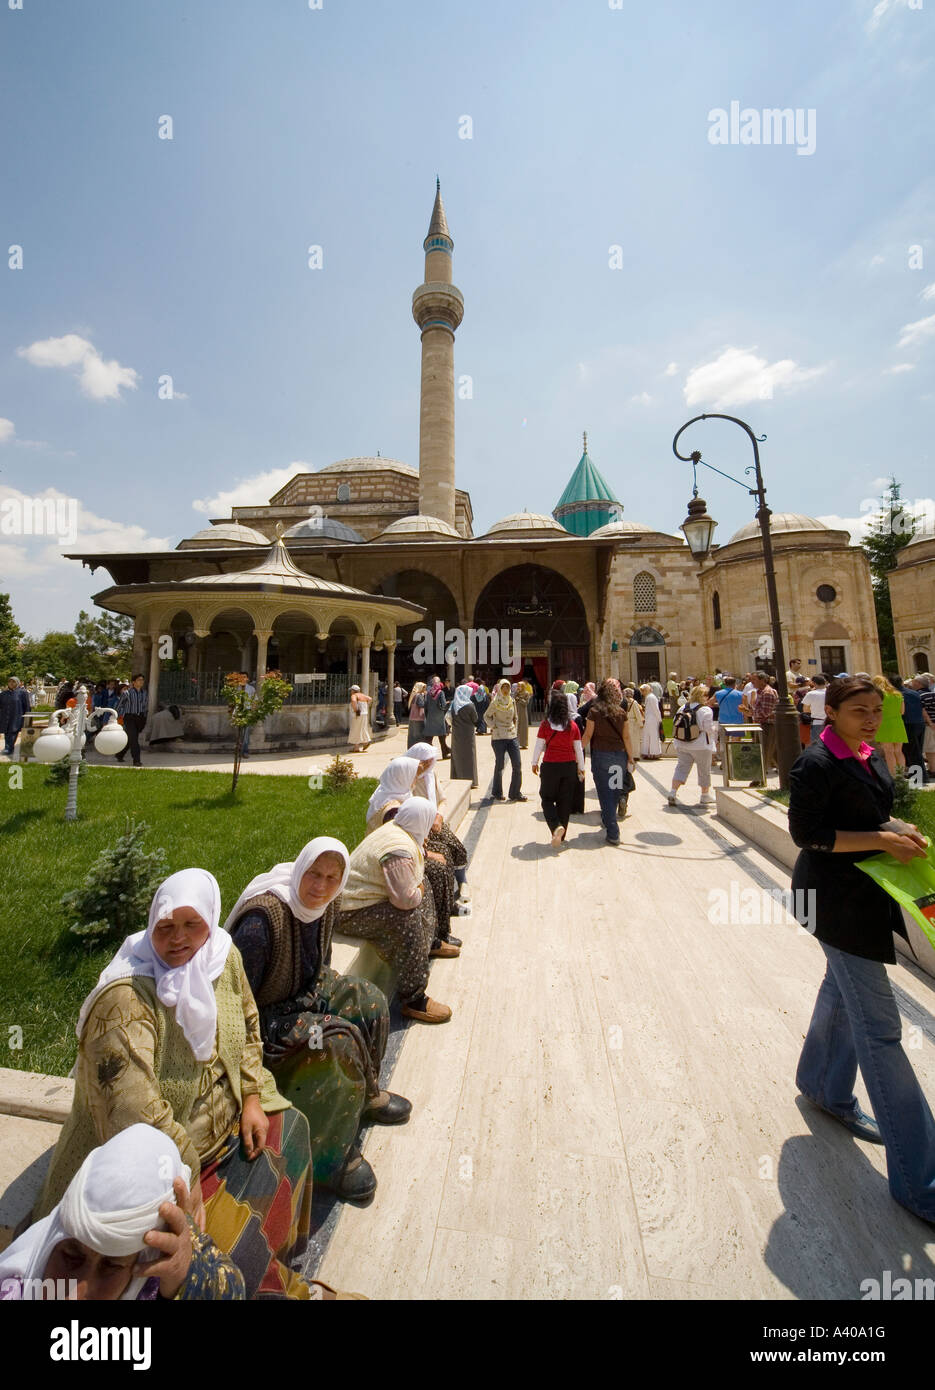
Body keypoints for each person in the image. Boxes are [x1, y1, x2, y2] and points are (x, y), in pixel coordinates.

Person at [35, 868, 328, 1300]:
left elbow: (248, 1028)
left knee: (295, 1127)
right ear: (151, 924)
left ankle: (284, 1255)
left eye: (193, 925)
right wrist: (188, 1177)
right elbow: (132, 1117)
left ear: (211, 922)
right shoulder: (124, 1002)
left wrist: (250, 1097)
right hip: (159, 1168)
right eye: (166, 927)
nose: (179, 939)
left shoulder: (220, 957)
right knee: (229, 1243)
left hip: (225, 1125)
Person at [789, 676, 935, 1224]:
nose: (871, 718)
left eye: (877, 709)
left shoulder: (870, 754)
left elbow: (869, 820)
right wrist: (880, 839)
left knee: (841, 990)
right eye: (858, 710)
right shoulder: (815, 764)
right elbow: (810, 834)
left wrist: (899, 830)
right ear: (832, 711)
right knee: (882, 1032)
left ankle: (823, 1087)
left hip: (862, 895)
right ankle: (922, 1181)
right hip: (830, 900)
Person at [227, 838, 411, 1204]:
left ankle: (364, 1095)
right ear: (300, 869)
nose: (320, 886)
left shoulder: (328, 903)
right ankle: (331, 1161)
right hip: (265, 1021)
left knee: (370, 1002)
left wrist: (322, 997)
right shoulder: (261, 924)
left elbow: (320, 961)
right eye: (313, 874)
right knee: (331, 1041)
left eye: (331, 877)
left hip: (307, 989)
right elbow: (235, 1006)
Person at [0, 1125, 244, 1301]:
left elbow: (235, 1289)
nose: (75, 1295)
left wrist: (185, 1274)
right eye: (71, 1257)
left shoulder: (169, 1256)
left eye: (111, 1266)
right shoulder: (16, 1289)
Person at [338, 799, 454, 1024]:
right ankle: (414, 999)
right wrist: (417, 888)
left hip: (364, 901)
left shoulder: (400, 830)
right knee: (405, 919)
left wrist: (418, 886)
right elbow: (405, 900)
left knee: (423, 886)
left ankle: (429, 943)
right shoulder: (398, 849)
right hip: (350, 910)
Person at [409, 740, 472, 921]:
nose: (428, 765)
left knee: (456, 847)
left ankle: (462, 881)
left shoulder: (431, 775)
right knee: (443, 854)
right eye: (425, 761)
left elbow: (442, 799)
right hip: (420, 827)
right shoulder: (409, 781)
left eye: (431, 761)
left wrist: (438, 816)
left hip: (434, 820)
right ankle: (446, 904)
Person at [581, 679, 634, 844]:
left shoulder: (594, 712)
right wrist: (631, 757)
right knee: (615, 791)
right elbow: (626, 737)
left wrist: (577, 753)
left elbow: (588, 736)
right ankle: (608, 818)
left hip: (601, 757)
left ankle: (613, 831)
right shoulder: (621, 713)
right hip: (619, 756)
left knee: (605, 794)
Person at [532, 691, 585, 849]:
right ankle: (561, 836)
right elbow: (578, 749)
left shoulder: (545, 725)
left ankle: (556, 827)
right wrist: (581, 768)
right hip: (569, 766)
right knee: (565, 801)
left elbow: (539, 746)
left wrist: (534, 762)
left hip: (550, 766)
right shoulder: (573, 726)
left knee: (547, 799)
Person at [667, 684, 715, 808]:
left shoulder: (682, 708)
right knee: (704, 770)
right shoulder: (706, 710)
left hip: (682, 743)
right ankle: (705, 795)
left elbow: (675, 723)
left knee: (681, 768)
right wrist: (715, 729)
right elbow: (707, 728)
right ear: (703, 696)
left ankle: (673, 792)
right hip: (701, 745)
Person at [487, 678, 526, 803]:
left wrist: (514, 727)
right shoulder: (495, 702)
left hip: (511, 735)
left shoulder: (512, 701)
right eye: (503, 687)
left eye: (507, 687)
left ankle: (515, 792)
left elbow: (515, 716)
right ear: (499, 688)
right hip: (499, 737)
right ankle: (497, 792)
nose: (505, 690)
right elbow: (486, 716)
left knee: (517, 764)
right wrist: (493, 726)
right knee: (500, 765)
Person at [366, 755, 422, 833]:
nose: (416, 778)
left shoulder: (382, 793)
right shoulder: (393, 811)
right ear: (403, 778)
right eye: (414, 775)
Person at [871, 674, 907, 774]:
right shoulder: (898, 694)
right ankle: (901, 775)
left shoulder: (878, 695)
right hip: (898, 723)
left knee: (888, 751)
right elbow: (902, 711)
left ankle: (893, 775)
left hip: (884, 723)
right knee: (898, 751)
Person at [115, 673, 148, 768]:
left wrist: (144, 717)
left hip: (140, 718)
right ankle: (136, 760)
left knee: (131, 739)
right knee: (134, 739)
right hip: (130, 718)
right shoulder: (127, 693)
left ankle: (120, 754)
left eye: (142, 680)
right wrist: (116, 716)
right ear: (133, 682)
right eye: (139, 680)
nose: (141, 682)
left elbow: (145, 706)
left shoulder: (144, 692)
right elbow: (119, 705)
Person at [449, 681, 479, 786]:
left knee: (457, 755)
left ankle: (457, 777)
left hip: (456, 734)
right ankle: (471, 780)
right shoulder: (470, 705)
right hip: (468, 735)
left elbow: (449, 718)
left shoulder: (454, 705)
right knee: (469, 756)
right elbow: (475, 719)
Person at [751, 671, 779, 776]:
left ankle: (760, 775)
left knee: (765, 750)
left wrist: (751, 713)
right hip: (763, 724)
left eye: (754, 680)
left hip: (767, 725)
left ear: (763, 681)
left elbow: (765, 712)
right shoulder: (761, 692)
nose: (752, 682)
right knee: (771, 751)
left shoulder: (767, 693)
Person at [901, 677, 926, 781]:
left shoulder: (898, 695)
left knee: (912, 753)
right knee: (917, 752)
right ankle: (922, 776)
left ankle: (917, 779)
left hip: (908, 724)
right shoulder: (914, 693)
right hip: (919, 723)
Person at [0, 677, 30, 757]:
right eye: (10, 682)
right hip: (5, 716)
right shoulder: (3, 694)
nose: (11, 683)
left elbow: (27, 706)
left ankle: (9, 748)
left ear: (17, 683)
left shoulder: (22, 693)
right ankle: (8, 747)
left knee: (13, 731)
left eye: (13, 682)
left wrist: (27, 717)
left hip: (17, 716)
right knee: (6, 732)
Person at [422, 675, 450, 758]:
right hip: (439, 717)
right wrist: (447, 704)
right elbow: (444, 704)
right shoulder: (441, 692)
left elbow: (425, 705)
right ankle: (444, 753)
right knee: (442, 737)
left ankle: (427, 755)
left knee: (429, 738)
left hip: (430, 717)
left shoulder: (429, 693)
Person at [801, 674, 828, 745]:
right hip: (830, 723)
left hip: (817, 722)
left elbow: (805, 709)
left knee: (816, 746)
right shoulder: (830, 693)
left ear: (814, 683)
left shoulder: (811, 694)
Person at [639, 683, 662, 759]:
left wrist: (659, 719)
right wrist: (659, 719)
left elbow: (655, 709)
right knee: (652, 736)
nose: (642, 693)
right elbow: (656, 709)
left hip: (651, 719)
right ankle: (652, 753)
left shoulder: (650, 697)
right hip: (651, 719)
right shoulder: (650, 697)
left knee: (649, 736)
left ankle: (649, 752)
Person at [348, 683, 372, 753]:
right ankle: (358, 746)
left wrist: (356, 709)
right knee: (362, 728)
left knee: (355, 729)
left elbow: (353, 701)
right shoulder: (363, 695)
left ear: (353, 690)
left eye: (351, 690)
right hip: (364, 714)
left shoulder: (354, 695)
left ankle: (361, 745)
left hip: (358, 715)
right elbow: (370, 699)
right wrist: (365, 705)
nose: (351, 692)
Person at [407, 681, 427, 747]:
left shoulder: (413, 695)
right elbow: (421, 705)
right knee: (419, 736)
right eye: (424, 688)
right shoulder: (419, 696)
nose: (425, 689)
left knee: (412, 735)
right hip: (419, 718)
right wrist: (425, 698)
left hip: (412, 718)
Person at [514, 678, 533, 749]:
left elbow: (526, 703)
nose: (518, 687)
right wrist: (516, 696)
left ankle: (524, 743)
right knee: (516, 727)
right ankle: (516, 743)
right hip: (516, 712)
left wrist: (520, 699)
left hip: (523, 713)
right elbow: (513, 701)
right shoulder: (516, 693)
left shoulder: (526, 693)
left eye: (520, 686)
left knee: (523, 728)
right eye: (518, 686)